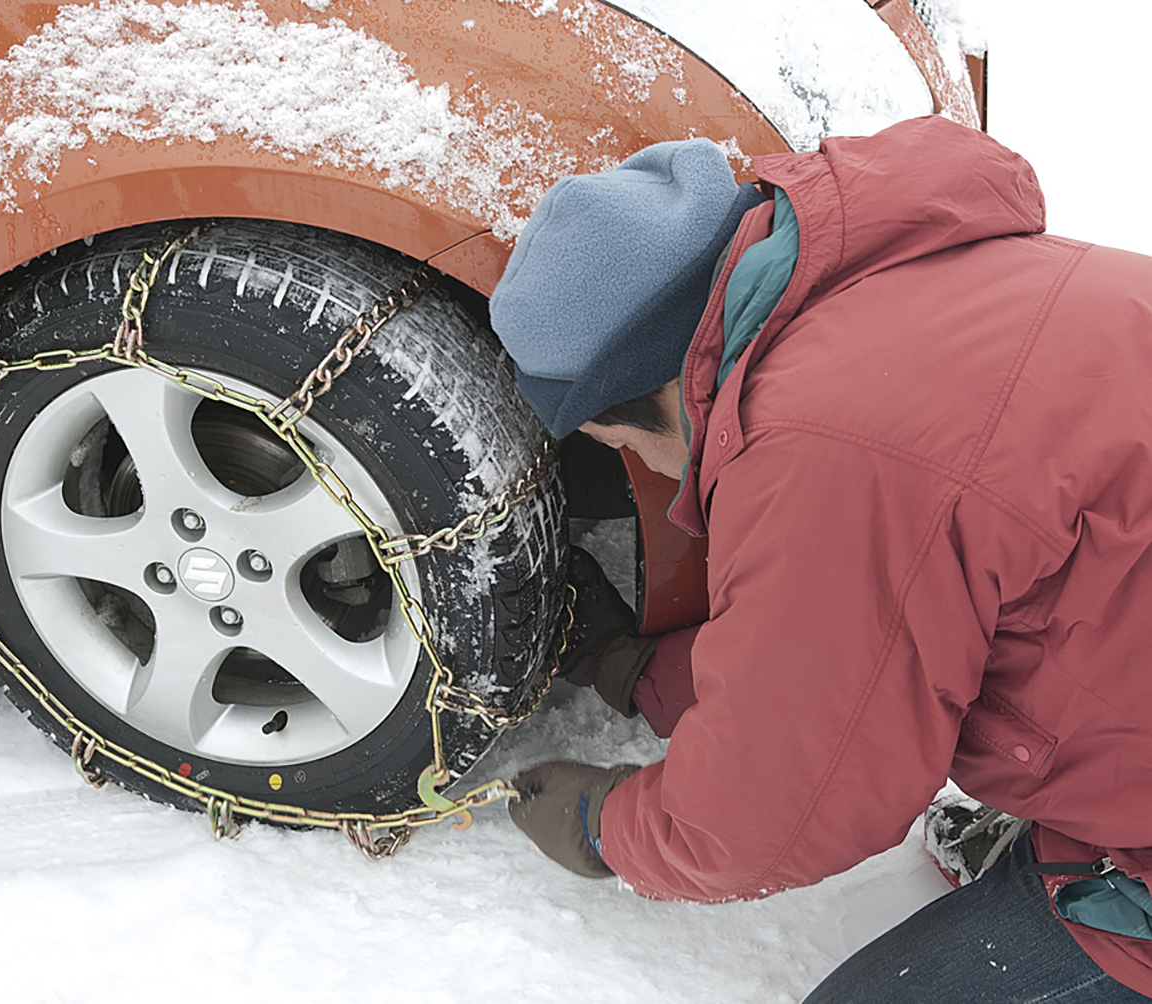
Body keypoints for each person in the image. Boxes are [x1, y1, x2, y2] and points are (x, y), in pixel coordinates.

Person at [488, 115, 1152, 1002]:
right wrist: (641, 676)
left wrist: (603, 823)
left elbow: (778, 812)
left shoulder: (822, 447)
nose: (642, 470)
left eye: (619, 447)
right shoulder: (926, 278)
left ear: (627, 403)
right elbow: (859, 645)